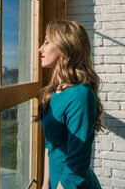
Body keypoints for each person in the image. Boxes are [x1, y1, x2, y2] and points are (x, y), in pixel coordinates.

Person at [34, 21, 103, 189]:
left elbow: (76, 169)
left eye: (47, 41)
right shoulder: (55, 91)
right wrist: (45, 184)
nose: (40, 49)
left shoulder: (80, 96)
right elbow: (50, 144)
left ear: (66, 47)